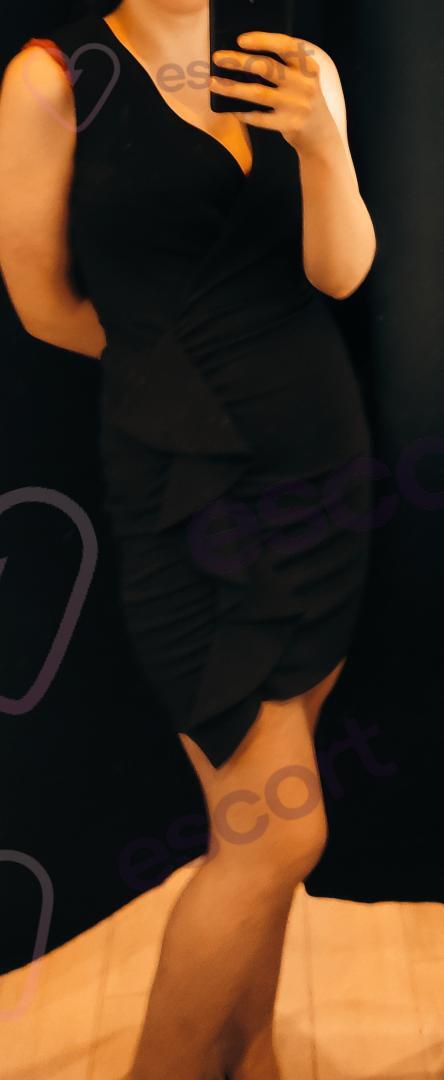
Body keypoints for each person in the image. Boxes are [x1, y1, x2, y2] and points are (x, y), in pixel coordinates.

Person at [0, 2, 377, 1076]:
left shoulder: (287, 56)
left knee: (251, 840)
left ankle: (249, 1056)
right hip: (183, 490)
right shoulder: (51, 79)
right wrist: (172, 375)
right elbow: (41, 304)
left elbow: (341, 271)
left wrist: (323, 140)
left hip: (322, 472)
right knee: (281, 834)